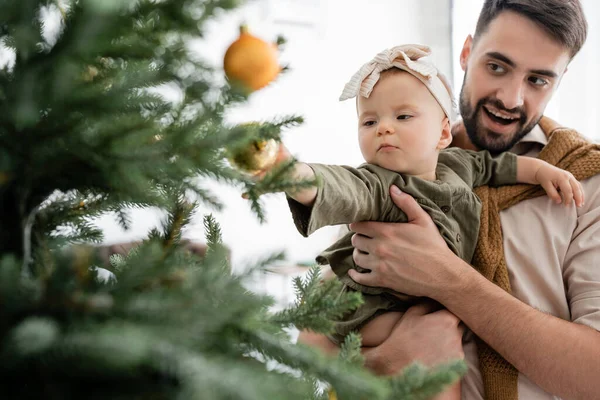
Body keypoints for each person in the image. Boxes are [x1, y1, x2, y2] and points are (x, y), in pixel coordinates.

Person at [300, 1, 600, 399]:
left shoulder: (585, 180)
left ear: (560, 80)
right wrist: (386, 361)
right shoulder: (395, 165)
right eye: (496, 67)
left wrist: (448, 280)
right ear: (466, 52)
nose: (511, 98)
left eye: (538, 80)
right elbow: (315, 338)